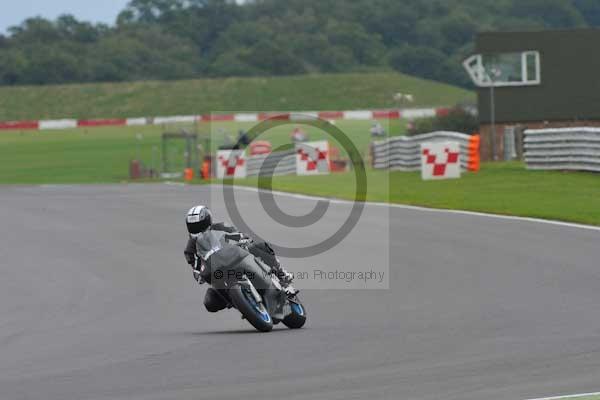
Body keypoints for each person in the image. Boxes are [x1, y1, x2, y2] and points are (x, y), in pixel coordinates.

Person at [183, 205, 294, 313]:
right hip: (218, 274)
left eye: (199, 225)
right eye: (193, 226)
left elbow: (237, 234)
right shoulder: (190, 249)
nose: (196, 229)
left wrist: (243, 239)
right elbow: (195, 266)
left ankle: (281, 274)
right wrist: (198, 274)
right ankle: (238, 301)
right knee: (209, 302)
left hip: (234, 257)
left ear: (207, 221)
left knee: (259, 246)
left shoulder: (221, 227)